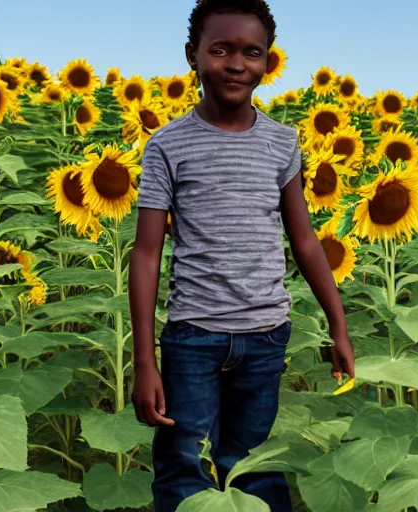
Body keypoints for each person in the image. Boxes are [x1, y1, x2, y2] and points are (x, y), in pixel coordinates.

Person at [128, 1, 355, 510]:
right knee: (183, 468)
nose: (237, 64)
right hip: (193, 336)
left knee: (253, 465)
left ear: (268, 62)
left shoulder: (281, 142)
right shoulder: (168, 145)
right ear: (193, 55)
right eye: (221, 49)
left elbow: (304, 240)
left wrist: (337, 325)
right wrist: (144, 360)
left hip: (266, 334)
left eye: (253, 52)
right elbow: (146, 254)